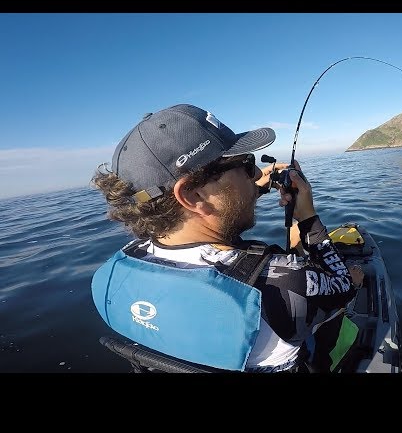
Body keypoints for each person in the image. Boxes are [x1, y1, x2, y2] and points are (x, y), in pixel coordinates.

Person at [90, 103, 363, 373]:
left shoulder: (114, 274)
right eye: (245, 164)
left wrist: (253, 189)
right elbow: (344, 283)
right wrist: (307, 217)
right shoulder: (282, 288)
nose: (256, 173)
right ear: (192, 196)